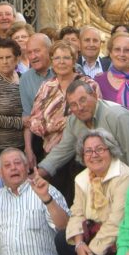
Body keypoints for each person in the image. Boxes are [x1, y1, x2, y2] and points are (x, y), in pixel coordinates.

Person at [56, 130, 129, 255]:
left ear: (111, 150)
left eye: (100, 149)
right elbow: (77, 213)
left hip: (121, 241)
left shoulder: (125, 177)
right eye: (88, 151)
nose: (94, 155)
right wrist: (79, 244)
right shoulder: (82, 178)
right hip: (96, 235)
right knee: (63, 240)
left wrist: (92, 250)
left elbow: (116, 222)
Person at [37, 79, 129, 177]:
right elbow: (62, 151)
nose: (80, 108)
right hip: (105, 174)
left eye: (83, 100)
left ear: (95, 96)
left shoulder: (119, 117)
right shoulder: (73, 121)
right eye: (73, 104)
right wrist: (38, 173)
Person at [24, 41, 98, 175]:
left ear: (74, 61)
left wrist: (66, 123)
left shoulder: (89, 84)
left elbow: (95, 116)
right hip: (51, 153)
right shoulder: (46, 86)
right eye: (57, 58)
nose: (61, 62)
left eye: (66, 58)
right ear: (52, 61)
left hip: (82, 154)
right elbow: (34, 121)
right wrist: (53, 126)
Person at [19, 33, 53, 116]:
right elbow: (27, 114)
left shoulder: (65, 69)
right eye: (29, 53)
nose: (33, 56)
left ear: (49, 50)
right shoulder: (25, 78)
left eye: (37, 51)